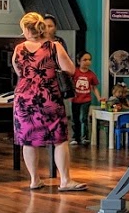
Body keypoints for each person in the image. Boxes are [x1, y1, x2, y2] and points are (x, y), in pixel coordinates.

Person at [12, 11, 85, 192]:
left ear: (26, 29)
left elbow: (19, 72)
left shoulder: (19, 49)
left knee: (28, 140)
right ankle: (65, 180)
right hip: (48, 96)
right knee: (59, 139)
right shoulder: (54, 46)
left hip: (24, 99)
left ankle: (34, 180)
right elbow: (70, 69)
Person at [70, 52, 103, 146]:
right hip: (75, 100)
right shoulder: (75, 72)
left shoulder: (91, 74)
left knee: (83, 118)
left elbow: (94, 87)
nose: (87, 62)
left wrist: (99, 98)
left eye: (89, 60)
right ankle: (75, 137)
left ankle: (84, 138)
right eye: (85, 60)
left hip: (86, 100)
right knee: (75, 119)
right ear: (78, 61)